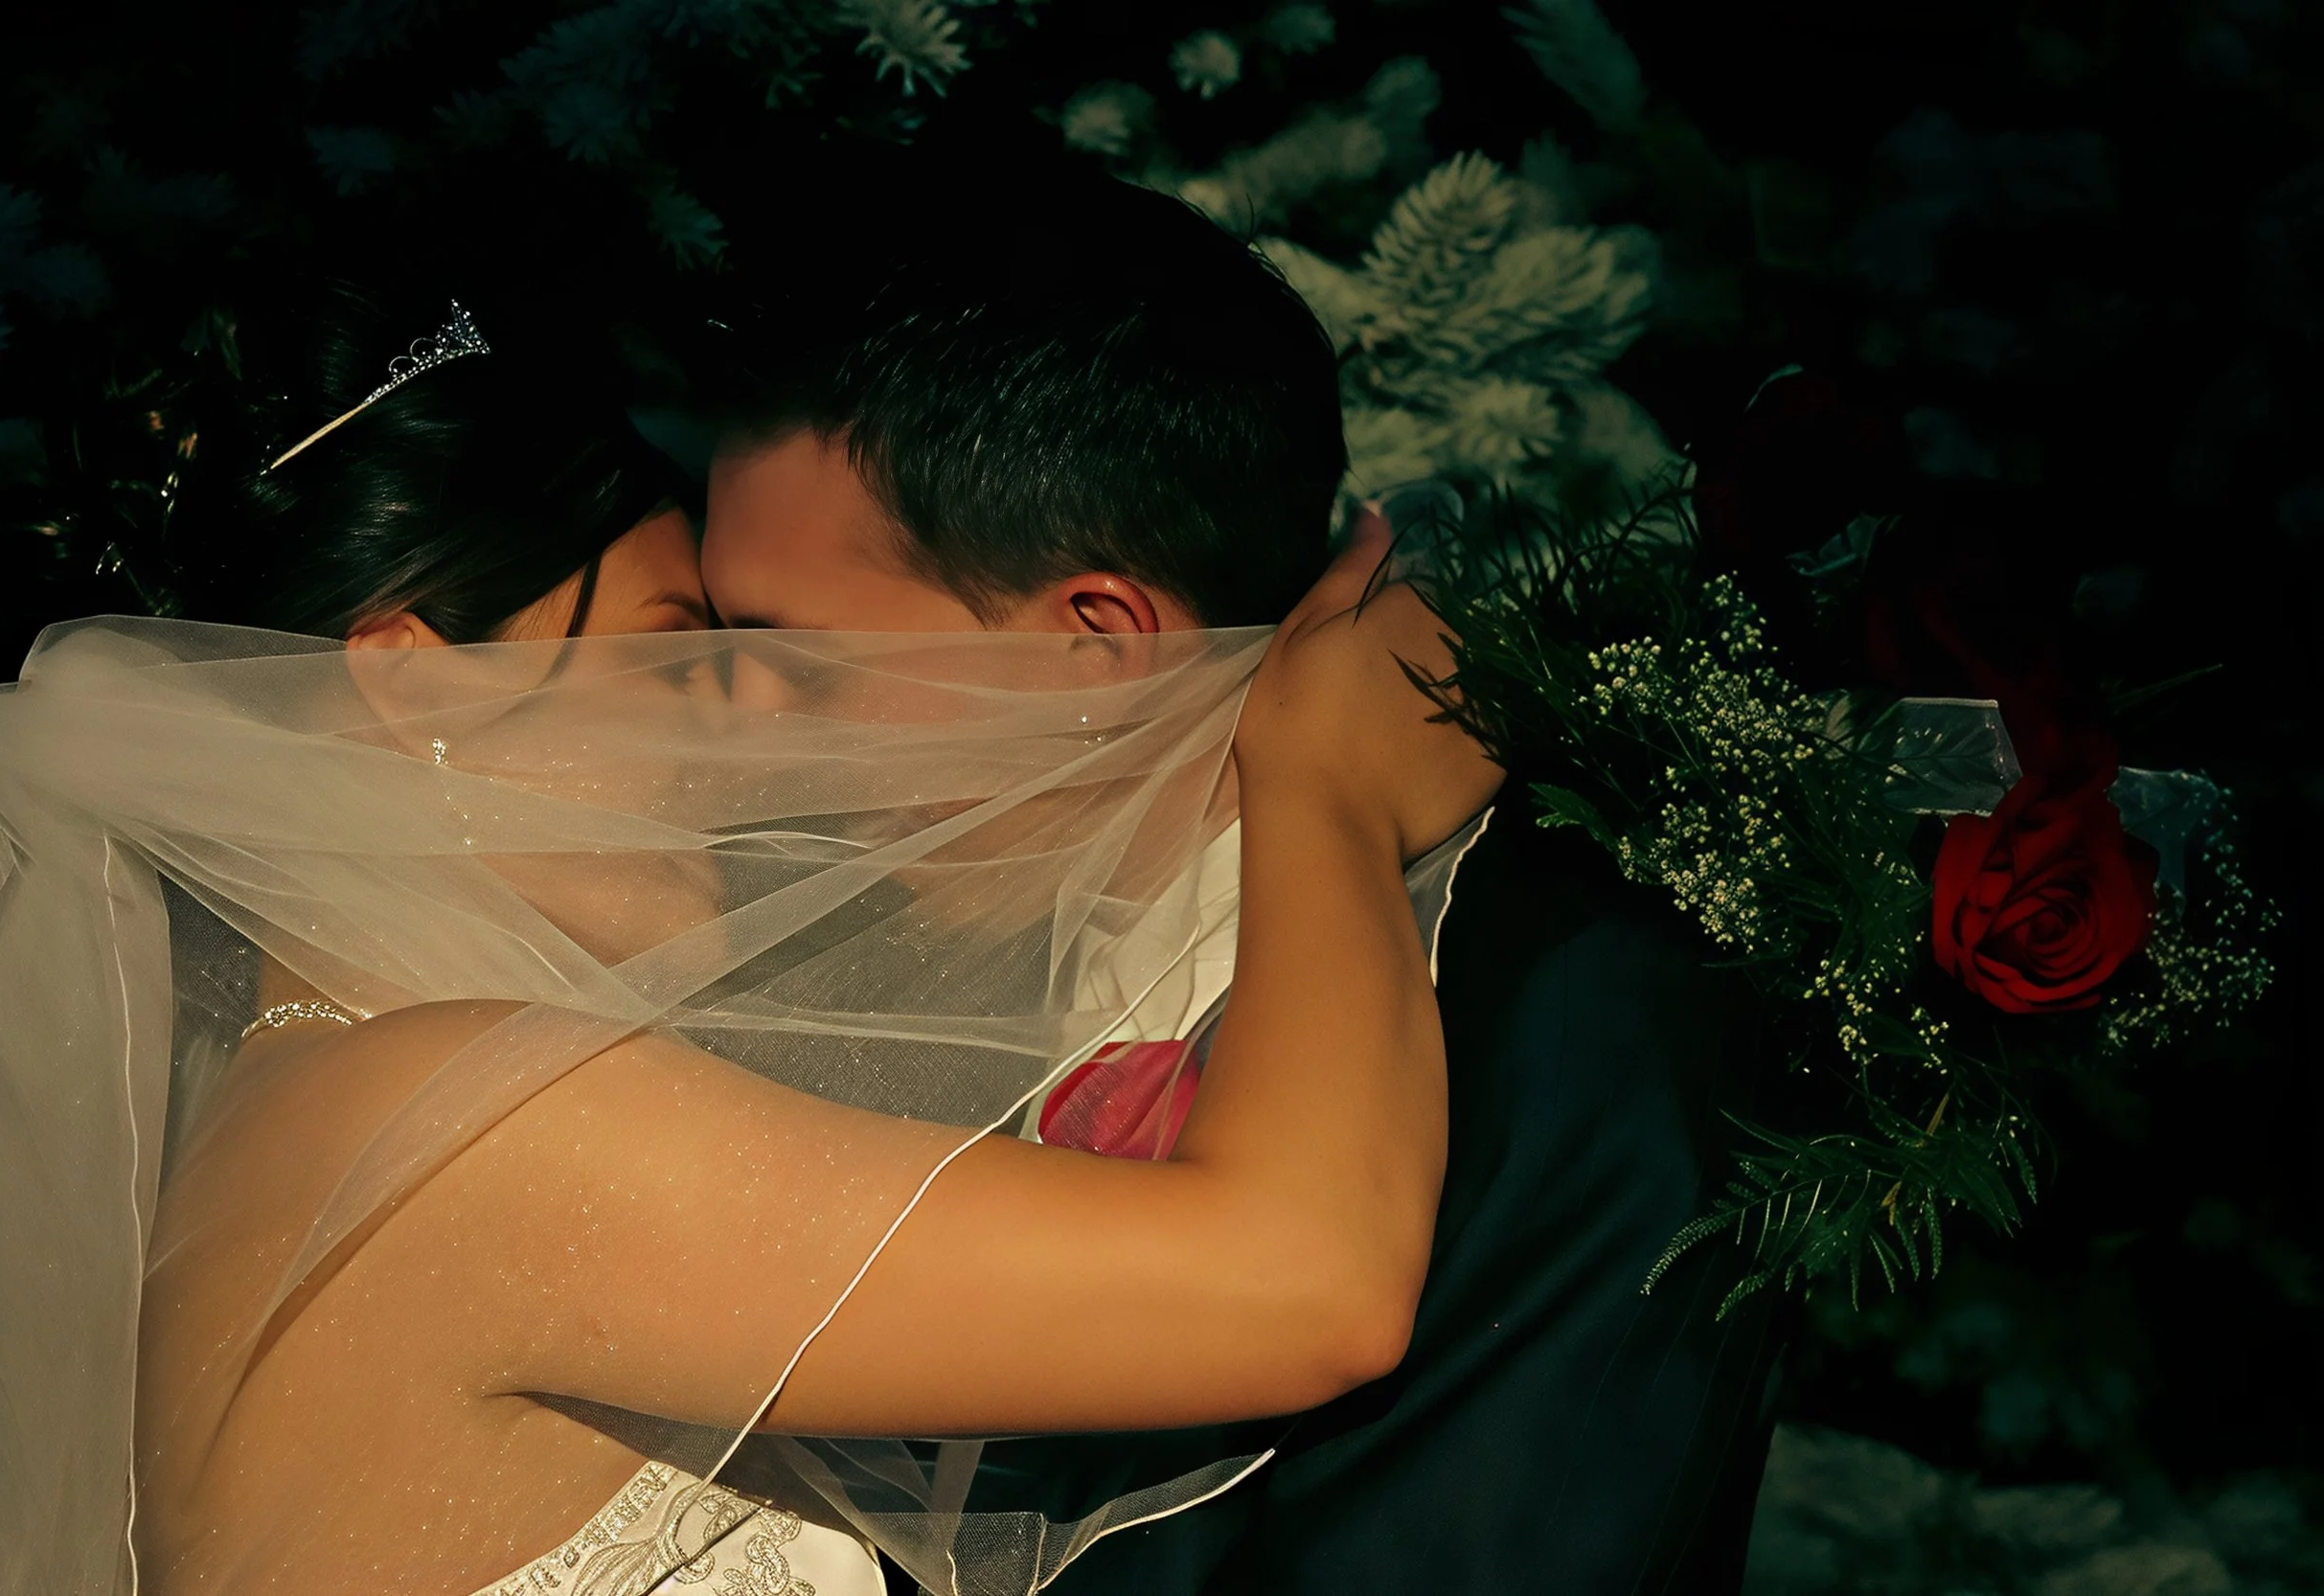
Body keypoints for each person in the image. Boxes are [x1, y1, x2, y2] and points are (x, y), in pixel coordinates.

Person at [0, 281, 1500, 1596]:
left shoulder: (302, 1133)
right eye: (676, 659)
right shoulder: (450, 1126)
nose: (744, 745)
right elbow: (1305, 1283)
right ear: (416, 686)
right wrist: (1324, 792)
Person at [698, 169, 1795, 1594]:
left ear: (1094, 644)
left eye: (795, 656)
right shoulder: (859, 949)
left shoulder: (1574, 1020)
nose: (724, 721)